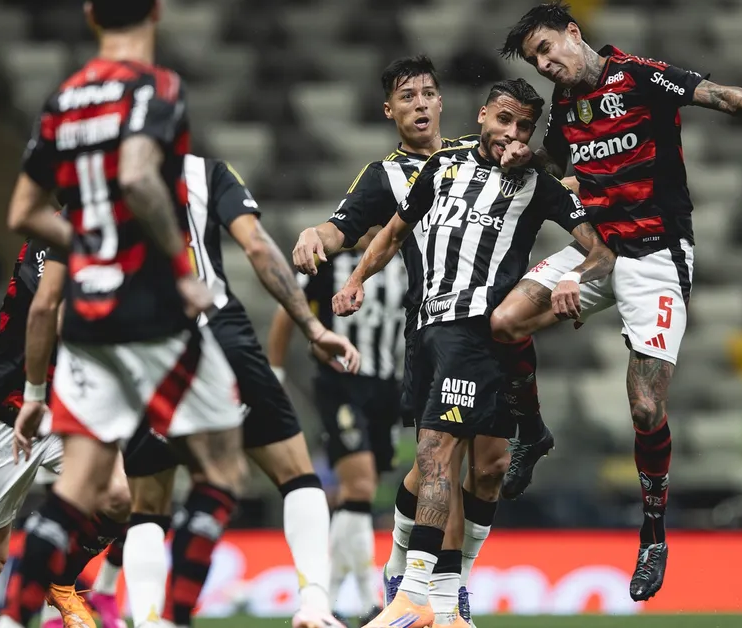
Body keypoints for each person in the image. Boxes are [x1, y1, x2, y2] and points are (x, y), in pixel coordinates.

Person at [492, 0, 742, 601]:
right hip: (599, 250)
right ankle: (532, 433)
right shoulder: (565, 110)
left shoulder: (640, 76)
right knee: (506, 322)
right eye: (536, 60)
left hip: (655, 255)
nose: (546, 65)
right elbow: (566, 174)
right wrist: (527, 156)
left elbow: (716, 95)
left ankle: (652, 535)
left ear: (574, 32)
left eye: (547, 49)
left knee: (645, 408)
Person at [1, 0, 243, 628]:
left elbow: (22, 212)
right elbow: (139, 175)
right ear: (158, 8)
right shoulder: (156, 87)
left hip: (88, 315)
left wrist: (89, 245)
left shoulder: (66, 98)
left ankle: (10, 621)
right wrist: (177, 270)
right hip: (151, 310)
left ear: (89, 13)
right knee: (223, 468)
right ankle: (168, 621)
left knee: (75, 488)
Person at [333, 79, 615, 628]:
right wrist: (358, 280)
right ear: (483, 114)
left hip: (475, 332)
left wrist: (574, 280)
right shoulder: (441, 166)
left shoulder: (540, 183)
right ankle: (439, 604)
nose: (511, 134)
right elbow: (393, 232)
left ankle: (419, 594)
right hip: (426, 331)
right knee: (473, 465)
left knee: (445, 456)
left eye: (523, 127)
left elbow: (601, 251)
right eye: (504, 120)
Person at [292, 56, 541, 625]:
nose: (421, 104)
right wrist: (315, 234)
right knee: (442, 462)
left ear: (445, 103)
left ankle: (419, 575)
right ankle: (436, 593)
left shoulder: (479, 149)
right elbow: (343, 227)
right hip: (434, 329)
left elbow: (545, 178)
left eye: (429, 93)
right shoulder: (386, 176)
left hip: (495, 327)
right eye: (407, 97)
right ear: (390, 111)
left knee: (492, 465)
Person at [118, 153, 360, 628]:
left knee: (148, 502)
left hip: (143, 350)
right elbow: (256, 246)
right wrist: (311, 327)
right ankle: (313, 604)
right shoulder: (207, 172)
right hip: (218, 334)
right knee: (294, 472)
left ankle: (148, 619)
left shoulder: (100, 179)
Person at [0, 238, 129, 628]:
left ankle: (61, 580)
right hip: (8, 412)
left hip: (65, 412)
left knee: (121, 496)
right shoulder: (47, 242)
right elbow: (54, 314)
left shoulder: (115, 238)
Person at [268, 226, 406, 624]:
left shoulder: (406, 263)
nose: (377, 228)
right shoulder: (330, 265)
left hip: (386, 386)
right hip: (339, 381)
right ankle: (368, 602)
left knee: (358, 497)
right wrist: (275, 373)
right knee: (360, 483)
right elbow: (287, 310)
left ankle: (324, 597)